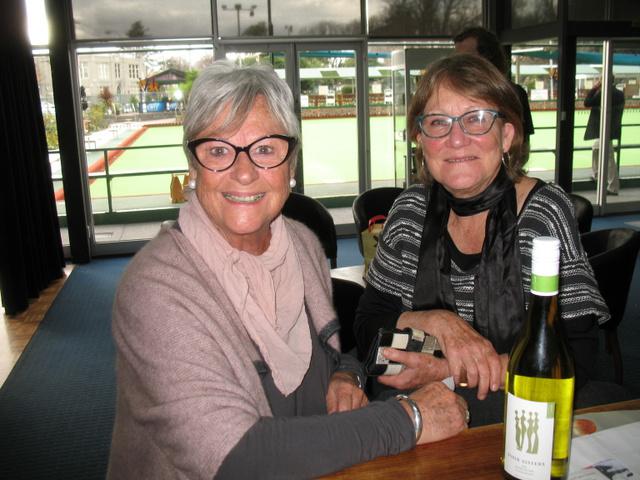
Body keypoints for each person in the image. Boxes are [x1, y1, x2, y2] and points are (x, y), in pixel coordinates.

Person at [107, 61, 469, 479]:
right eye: (218, 151)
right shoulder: (155, 290)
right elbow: (235, 458)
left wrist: (347, 377)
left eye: (265, 149)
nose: (244, 172)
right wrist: (409, 419)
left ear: (290, 165)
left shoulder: (300, 244)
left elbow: (332, 358)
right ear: (193, 167)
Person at [354, 54, 626, 427]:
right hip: (423, 410)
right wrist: (438, 322)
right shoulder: (409, 212)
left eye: (476, 119)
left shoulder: (542, 215)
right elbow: (367, 324)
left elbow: (575, 355)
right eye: (438, 122)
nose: (456, 139)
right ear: (420, 140)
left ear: (507, 136)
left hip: (518, 413)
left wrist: (452, 372)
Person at [453, 27, 535, 163]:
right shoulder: (451, 94)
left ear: (488, 58)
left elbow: (522, 148)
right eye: (456, 59)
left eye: (466, 59)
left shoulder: (514, 94)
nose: (458, 66)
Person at [584, 78, 625, 195]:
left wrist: (594, 88)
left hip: (604, 129)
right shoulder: (619, 93)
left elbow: (587, 102)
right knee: (596, 148)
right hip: (610, 129)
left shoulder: (604, 93)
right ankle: (597, 175)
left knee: (609, 158)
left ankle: (612, 187)